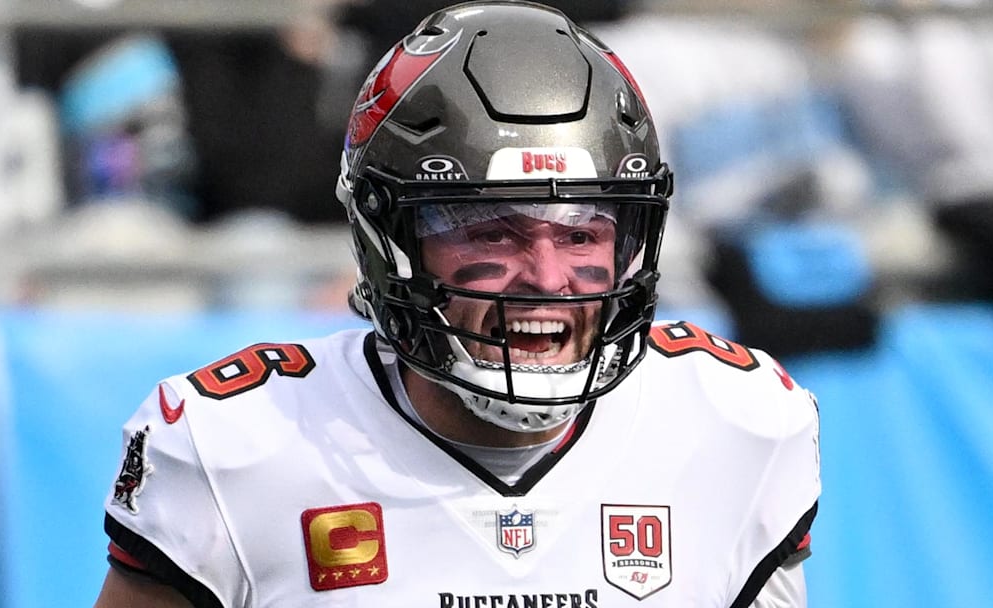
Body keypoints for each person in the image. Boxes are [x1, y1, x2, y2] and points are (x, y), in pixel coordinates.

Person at [93, 2, 821, 606]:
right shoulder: (235, 445)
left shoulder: (736, 423)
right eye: (491, 230)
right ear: (388, 239)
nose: (545, 276)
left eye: (583, 232)